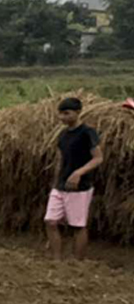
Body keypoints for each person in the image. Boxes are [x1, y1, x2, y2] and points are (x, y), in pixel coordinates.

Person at [46, 97, 103, 260]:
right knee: (50, 221)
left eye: (66, 113)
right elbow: (61, 159)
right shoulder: (63, 135)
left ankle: (77, 264)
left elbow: (98, 158)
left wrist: (79, 173)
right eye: (60, 114)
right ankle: (57, 260)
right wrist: (56, 181)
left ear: (78, 113)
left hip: (80, 187)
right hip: (61, 185)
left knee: (77, 225)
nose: (62, 117)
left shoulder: (87, 133)